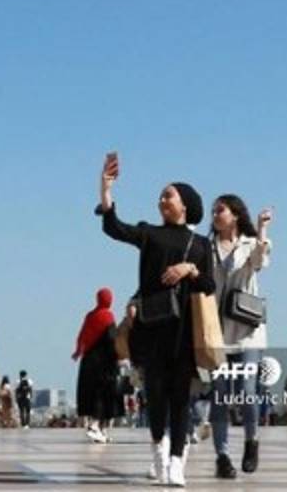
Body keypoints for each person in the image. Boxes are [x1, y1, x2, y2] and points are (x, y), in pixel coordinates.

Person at [96, 153, 215, 487]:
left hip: (183, 331)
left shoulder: (200, 245)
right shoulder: (150, 234)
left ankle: (177, 462)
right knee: (157, 395)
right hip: (151, 328)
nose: (162, 200)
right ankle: (159, 450)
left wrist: (190, 269)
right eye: (161, 196)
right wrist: (106, 191)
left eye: (169, 195)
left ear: (185, 205)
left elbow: (209, 285)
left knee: (180, 398)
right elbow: (116, 228)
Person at [207, 195, 273, 479]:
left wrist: (262, 229)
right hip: (217, 332)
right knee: (220, 396)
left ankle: (251, 441)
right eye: (213, 211)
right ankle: (222, 456)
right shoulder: (206, 247)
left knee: (247, 392)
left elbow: (259, 262)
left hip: (247, 332)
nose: (215, 215)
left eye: (220, 210)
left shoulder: (250, 243)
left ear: (234, 215)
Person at [73, 287, 122, 444]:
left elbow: (82, 335)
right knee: (104, 395)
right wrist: (119, 357)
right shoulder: (108, 316)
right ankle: (96, 427)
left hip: (89, 361)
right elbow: (112, 340)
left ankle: (101, 430)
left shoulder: (90, 316)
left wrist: (78, 351)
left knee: (92, 394)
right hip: (104, 363)